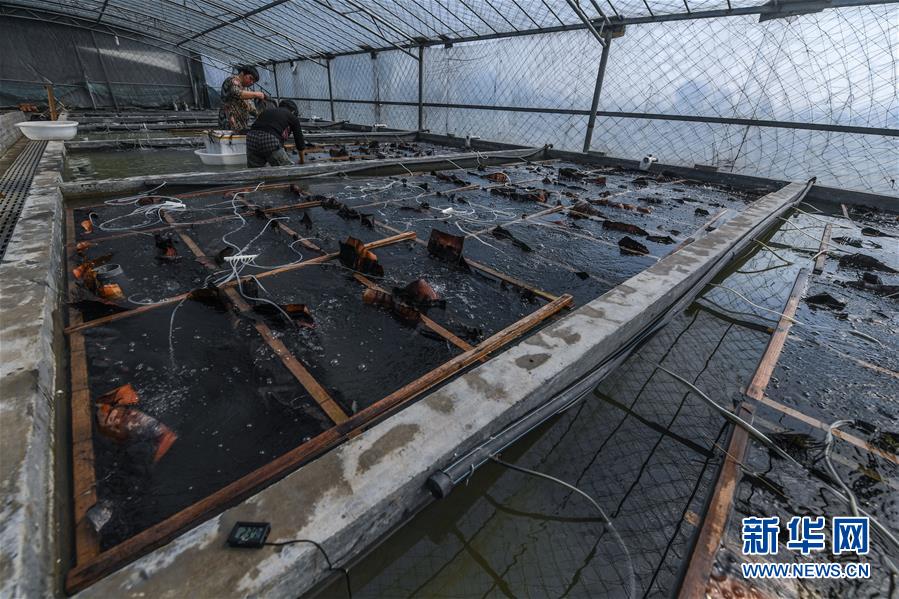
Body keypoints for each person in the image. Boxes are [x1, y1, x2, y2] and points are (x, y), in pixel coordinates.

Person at [247, 100, 307, 168]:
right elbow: (299, 142)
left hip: (251, 137)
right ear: (293, 111)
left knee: (256, 170)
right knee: (287, 169)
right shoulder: (292, 116)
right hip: (269, 138)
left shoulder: (267, 111)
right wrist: (302, 160)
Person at [218, 65, 267, 132]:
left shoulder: (246, 89)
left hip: (240, 126)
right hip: (229, 123)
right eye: (250, 78)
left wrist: (261, 115)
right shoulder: (231, 81)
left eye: (253, 81)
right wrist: (256, 94)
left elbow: (250, 107)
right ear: (242, 73)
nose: (251, 82)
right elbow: (237, 93)